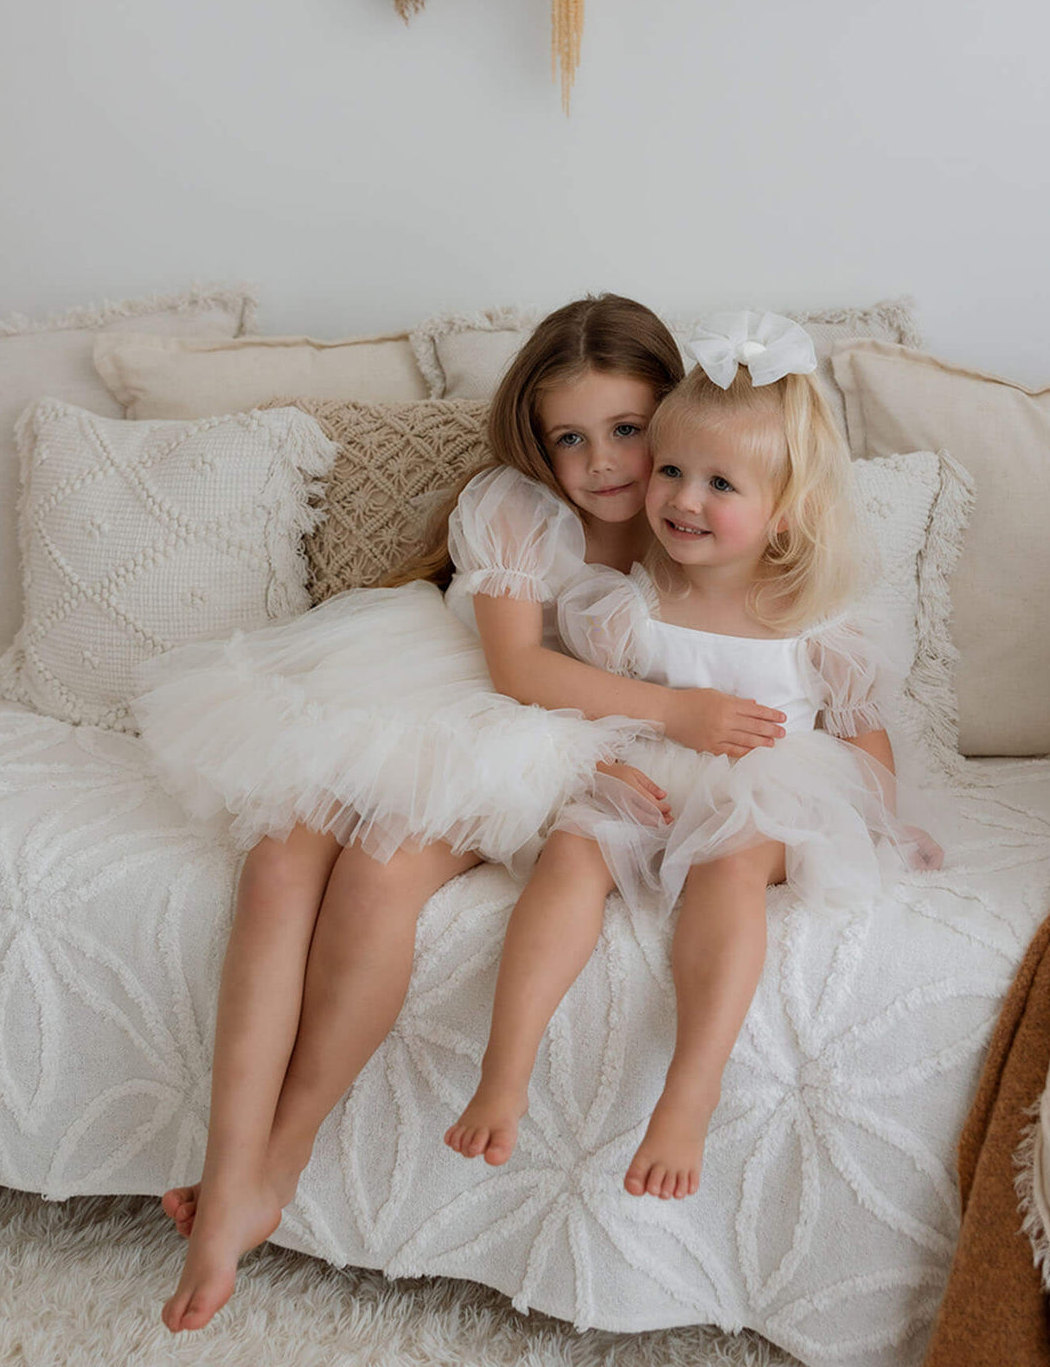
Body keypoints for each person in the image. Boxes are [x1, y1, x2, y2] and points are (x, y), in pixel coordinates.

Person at [137, 294, 788, 1333]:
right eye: (568, 438)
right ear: (534, 442)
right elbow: (516, 667)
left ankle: (280, 1156)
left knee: (380, 871)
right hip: (447, 691)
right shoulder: (513, 507)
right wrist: (676, 714)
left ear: (674, 416)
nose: (604, 463)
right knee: (275, 866)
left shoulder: (700, 516)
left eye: (628, 430)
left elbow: (759, 659)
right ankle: (229, 1165)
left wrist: (648, 740)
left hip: (552, 731)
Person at [445, 310, 943, 1202]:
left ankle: (689, 1091)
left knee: (729, 868)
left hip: (772, 786)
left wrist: (884, 824)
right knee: (571, 851)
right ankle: (504, 1069)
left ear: (784, 509)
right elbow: (593, 699)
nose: (682, 499)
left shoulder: (815, 617)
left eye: (721, 484)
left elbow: (861, 729)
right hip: (660, 768)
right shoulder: (624, 601)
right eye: (670, 471)